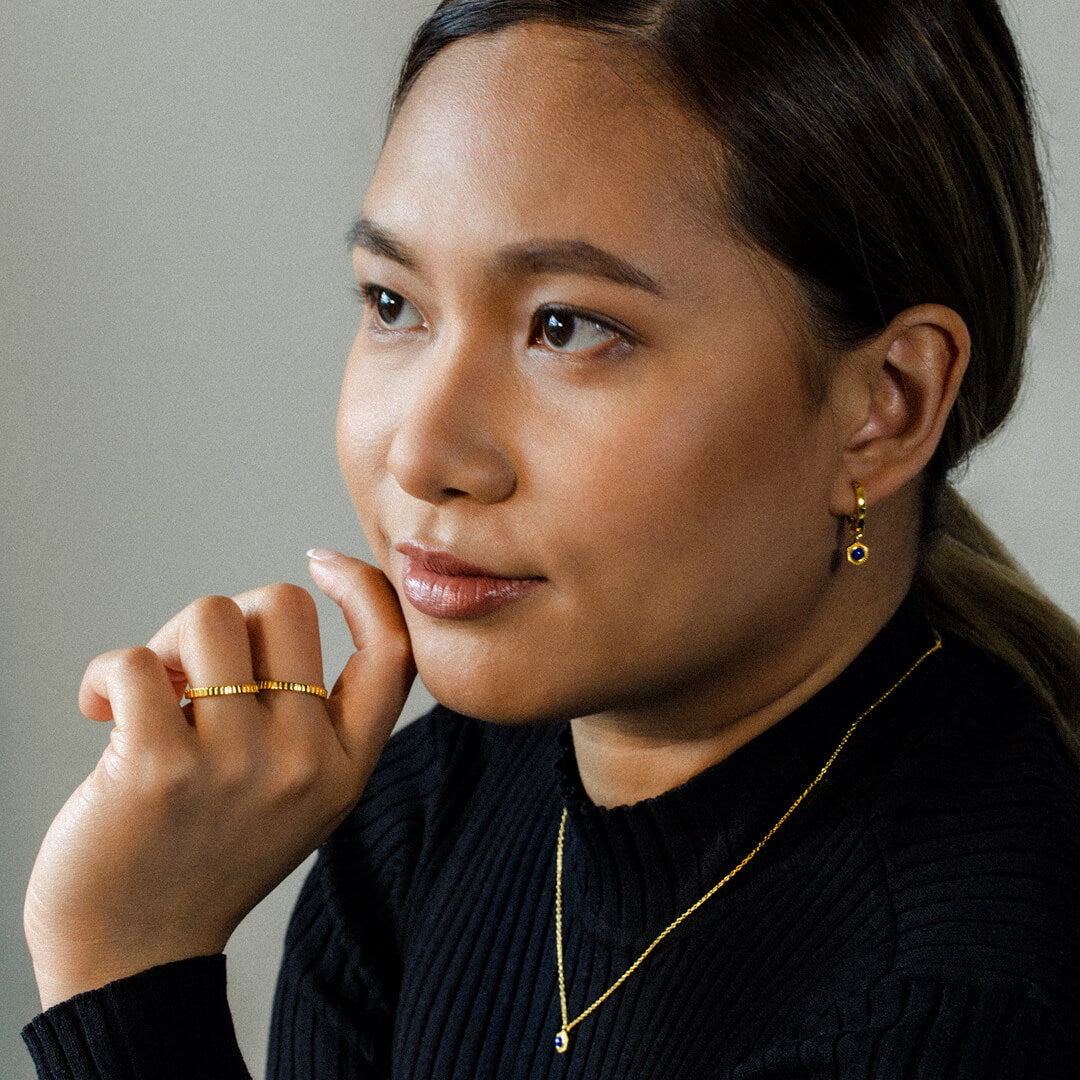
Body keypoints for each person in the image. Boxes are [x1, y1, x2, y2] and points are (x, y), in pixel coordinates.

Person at [21, 0, 1080, 1077]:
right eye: (394, 303)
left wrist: (129, 973)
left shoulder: (957, 1013)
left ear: (885, 406)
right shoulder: (424, 822)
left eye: (567, 327)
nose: (425, 451)